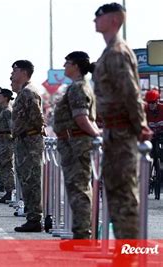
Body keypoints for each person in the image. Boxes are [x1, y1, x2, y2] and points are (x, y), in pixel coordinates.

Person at [93, 2, 152, 240]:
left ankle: (130, 256)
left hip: (123, 133)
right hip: (113, 132)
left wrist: (140, 127)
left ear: (115, 20)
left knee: (125, 198)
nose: (95, 20)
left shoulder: (117, 52)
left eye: (100, 16)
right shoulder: (109, 52)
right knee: (116, 195)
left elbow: (131, 93)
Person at [53, 51, 101, 244]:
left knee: (78, 189)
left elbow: (81, 118)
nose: (64, 66)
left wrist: (96, 135)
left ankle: (82, 236)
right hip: (73, 142)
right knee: (77, 188)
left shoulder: (78, 88)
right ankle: (81, 234)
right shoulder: (78, 86)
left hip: (77, 144)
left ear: (76, 66)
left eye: (67, 63)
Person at [10, 60, 44, 232]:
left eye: (14, 70)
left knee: (31, 181)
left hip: (30, 142)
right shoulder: (23, 92)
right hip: (24, 141)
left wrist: (32, 134)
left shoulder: (29, 92)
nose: (12, 74)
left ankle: (35, 218)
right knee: (26, 180)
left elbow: (38, 118)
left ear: (24, 72)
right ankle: (32, 216)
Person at [0, 88, 16, 203]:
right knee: (3, 166)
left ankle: (10, 192)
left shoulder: (8, 111)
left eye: (1, 96)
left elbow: (12, 127)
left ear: (6, 98)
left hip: (6, 142)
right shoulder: (3, 110)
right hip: (2, 141)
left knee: (7, 167)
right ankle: (8, 191)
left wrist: (11, 142)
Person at [144, 89, 163, 199]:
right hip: (151, 136)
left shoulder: (162, 109)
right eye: (149, 103)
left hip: (161, 135)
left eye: (153, 103)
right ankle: (147, 174)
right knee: (148, 154)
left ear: (157, 101)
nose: (151, 105)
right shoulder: (145, 111)